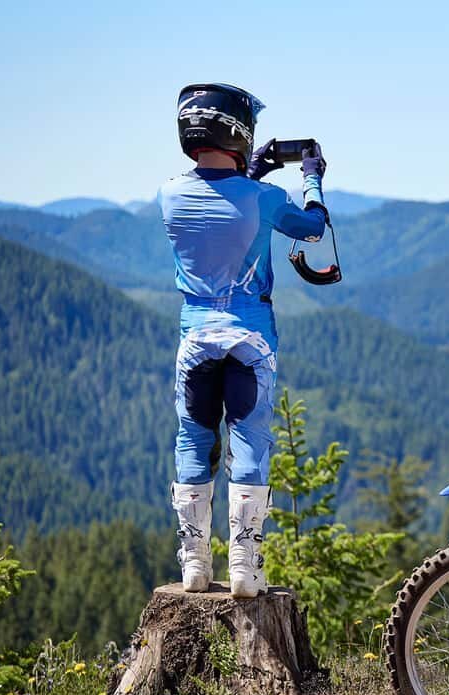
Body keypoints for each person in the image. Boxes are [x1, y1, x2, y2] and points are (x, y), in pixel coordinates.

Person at [159, 83, 332, 597]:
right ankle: (244, 564)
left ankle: (194, 563)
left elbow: (222, 202)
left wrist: (253, 168)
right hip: (250, 339)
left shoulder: (169, 194)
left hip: (195, 338)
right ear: (239, 130)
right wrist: (312, 177)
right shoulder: (265, 198)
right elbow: (312, 228)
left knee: (194, 440)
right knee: (250, 443)